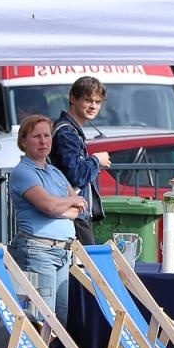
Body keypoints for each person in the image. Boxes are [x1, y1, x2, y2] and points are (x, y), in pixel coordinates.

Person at [9, 115, 89, 323]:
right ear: (24, 141)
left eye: (47, 135)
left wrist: (59, 206)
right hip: (38, 250)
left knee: (61, 318)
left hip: (63, 251)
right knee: (44, 318)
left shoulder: (54, 172)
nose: (43, 141)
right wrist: (65, 203)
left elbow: (77, 208)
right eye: (36, 136)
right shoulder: (23, 172)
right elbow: (48, 205)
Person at [49, 75, 112, 245]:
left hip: (75, 212)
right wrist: (96, 160)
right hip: (73, 213)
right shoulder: (67, 132)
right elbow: (76, 175)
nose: (93, 106)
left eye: (98, 102)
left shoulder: (71, 130)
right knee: (86, 268)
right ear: (73, 98)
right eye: (88, 100)